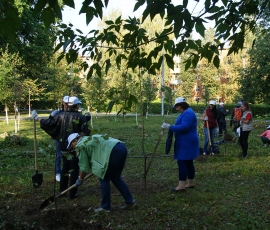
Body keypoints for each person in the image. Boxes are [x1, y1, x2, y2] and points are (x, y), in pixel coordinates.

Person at [32, 96, 91, 198]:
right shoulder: (80, 117)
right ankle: (72, 193)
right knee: (74, 169)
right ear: (76, 105)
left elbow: (49, 124)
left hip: (63, 147)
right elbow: (86, 132)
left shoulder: (59, 116)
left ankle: (62, 190)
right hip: (76, 147)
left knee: (65, 168)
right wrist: (86, 119)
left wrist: (38, 118)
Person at [67, 133, 135, 212]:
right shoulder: (88, 139)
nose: (72, 147)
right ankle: (129, 200)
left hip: (112, 151)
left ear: (75, 140)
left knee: (104, 178)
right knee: (115, 177)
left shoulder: (80, 145)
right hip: (121, 147)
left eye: (71, 145)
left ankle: (105, 207)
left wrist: (80, 179)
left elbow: (84, 168)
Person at [161, 97, 200, 191]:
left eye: (177, 107)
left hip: (187, 141)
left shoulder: (188, 113)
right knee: (189, 162)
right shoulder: (185, 112)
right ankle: (190, 182)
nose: (176, 109)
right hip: (185, 140)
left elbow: (184, 127)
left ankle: (181, 185)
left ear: (181, 105)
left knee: (182, 161)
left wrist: (170, 127)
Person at [49, 96, 70, 182]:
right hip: (59, 137)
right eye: (65, 103)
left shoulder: (72, 113)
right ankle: (58, 173)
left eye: (68, 103)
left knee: (69, 154)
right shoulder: (57, 113)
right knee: (59, 155)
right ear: (63, 103)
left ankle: (67, 171)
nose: (67, 105)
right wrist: (53, 134)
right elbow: (50, 124)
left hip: (69, 138)